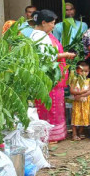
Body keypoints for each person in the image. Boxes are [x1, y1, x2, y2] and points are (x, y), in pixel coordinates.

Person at [30, 10, 76, 142]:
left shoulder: (41, 34)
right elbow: (47, 57)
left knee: (54, 103)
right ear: (43, 23)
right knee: (50, 105)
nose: (53, 26)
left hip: (51, 76)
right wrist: (66, 55)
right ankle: (50, 135)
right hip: (49, 76)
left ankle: (51, 134)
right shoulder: (41, 36)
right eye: (52, 23)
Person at [68, 61, 90, 141]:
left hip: (85, 102)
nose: (84, 73)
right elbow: (71, 91)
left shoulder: (89, 80)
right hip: (77, 103)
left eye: (86, 71)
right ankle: (74, 133)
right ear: (77, 71)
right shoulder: (75, 80)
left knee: (84, 116)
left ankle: (81, 132)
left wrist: (81, 95)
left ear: (88, 72)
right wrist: (79, 93)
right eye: (81, 71)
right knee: (75, 116)